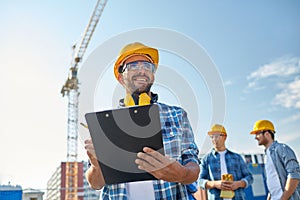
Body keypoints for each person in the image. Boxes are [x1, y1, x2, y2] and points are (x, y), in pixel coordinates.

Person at [84, 42, 200, 199]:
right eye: (133, 65)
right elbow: (95, 183)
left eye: (147, 66)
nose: (142, 70)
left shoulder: (177, 115)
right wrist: (97, 167)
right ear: (120, 77)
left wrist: (183, 174)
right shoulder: (105, 125)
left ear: (153, 75)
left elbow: (192, 164)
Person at [198, 124, 253, 199]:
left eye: (217, 136)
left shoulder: (237, 157)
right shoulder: (206, 159)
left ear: (225, 137)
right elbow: (200, 181)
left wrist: (238, 184)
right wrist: (214, 184)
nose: (214, 139)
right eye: (212, 137)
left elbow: (249, 177)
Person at [250, 119, 300, 200]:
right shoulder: (266, 156)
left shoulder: (282, 149)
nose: (255, 137)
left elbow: (294, 176)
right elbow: (274, 181)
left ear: (267, 134)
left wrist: (283, 198)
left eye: (257, 133)